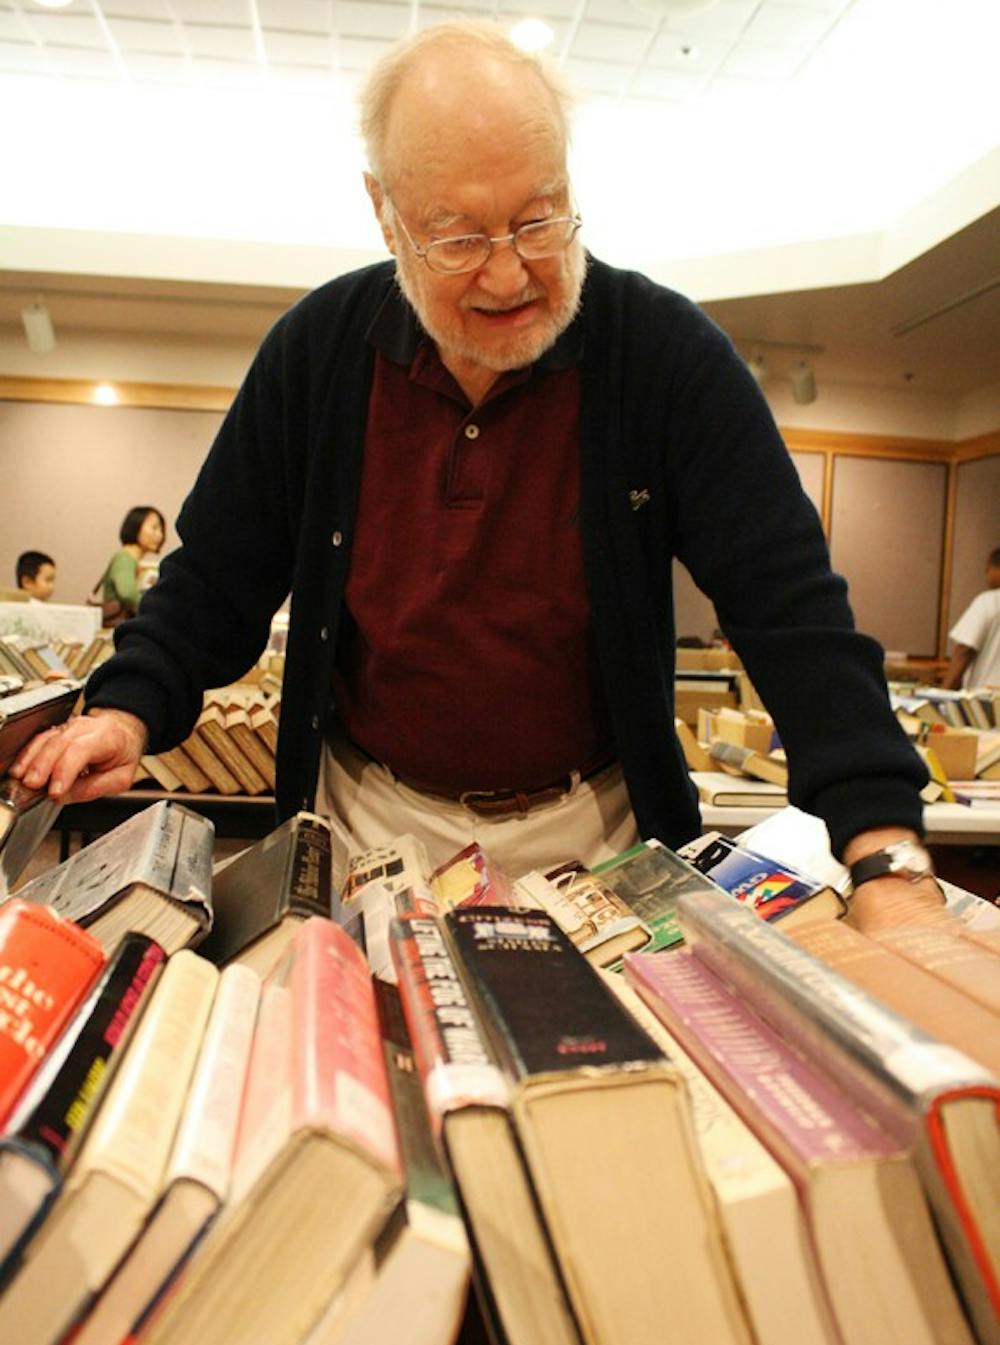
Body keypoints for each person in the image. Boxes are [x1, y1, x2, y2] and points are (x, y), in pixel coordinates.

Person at [10, 21, 947, 936]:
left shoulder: (664, 356)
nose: (512, 275)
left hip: (599, 829)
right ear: (384, 213)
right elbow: (213, 583)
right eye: (458, 238)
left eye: (538, 218)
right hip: (368, 822)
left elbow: (794, 615)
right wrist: (127, 712)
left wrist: (885, 850)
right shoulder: (317, 354)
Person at [95, 506, 166, 625]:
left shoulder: (132, 560)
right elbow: (127, 593)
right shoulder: (124, 558)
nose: (159, 535)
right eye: (154, 528)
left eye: (161, 530)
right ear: (136, 526)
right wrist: (157, 611)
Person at [942, 547, 1000, 689]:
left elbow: (964, 650)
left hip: (987, 701)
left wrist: (944, 694)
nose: (986, 575)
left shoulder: (989, 600)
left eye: (988, 569)